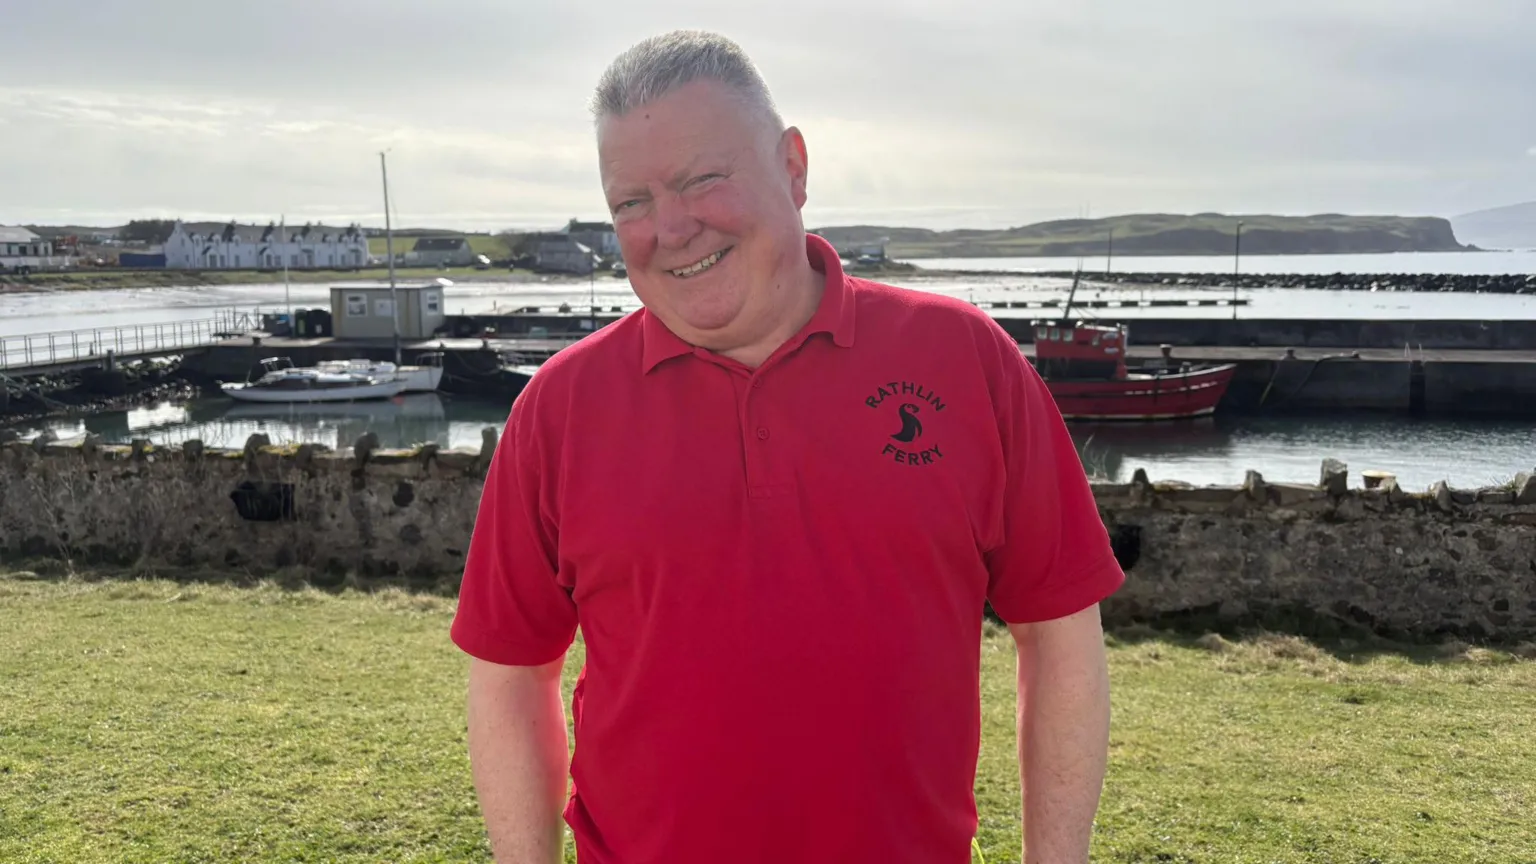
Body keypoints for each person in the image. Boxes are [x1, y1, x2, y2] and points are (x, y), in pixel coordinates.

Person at [450, 29, 1125, 864]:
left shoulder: (962, 359)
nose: (670, 228)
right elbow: (512, 671)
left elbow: (1059, 628)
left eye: (702, 180)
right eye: (631, 202)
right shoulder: (560, 406)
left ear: (795, 168)